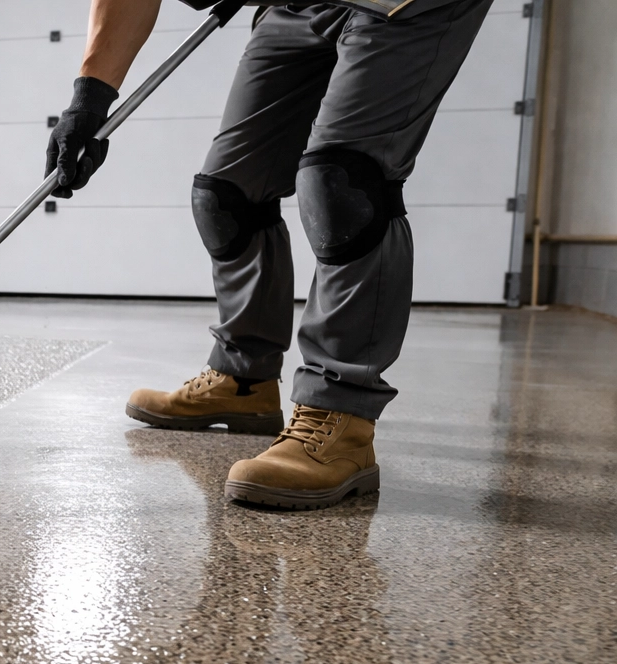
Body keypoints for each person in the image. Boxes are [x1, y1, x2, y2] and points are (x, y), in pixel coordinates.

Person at [47, 0, 491, 509]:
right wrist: (90, 98)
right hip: (296, 6)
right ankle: (245, 379)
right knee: (227, 195)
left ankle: (341, 414)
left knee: (344, 186)